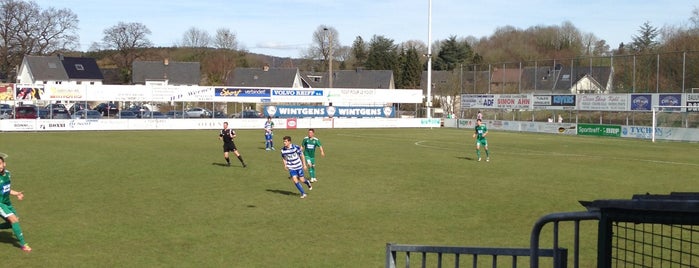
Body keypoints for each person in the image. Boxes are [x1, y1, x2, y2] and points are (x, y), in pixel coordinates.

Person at [0, 155, 32, 252]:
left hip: (7, 202)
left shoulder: (8, 174)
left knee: (13, 222)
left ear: (4, 164)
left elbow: (7, 189)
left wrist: (17, 193)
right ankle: (23, 245)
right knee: (13, 220)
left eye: (0, 164)